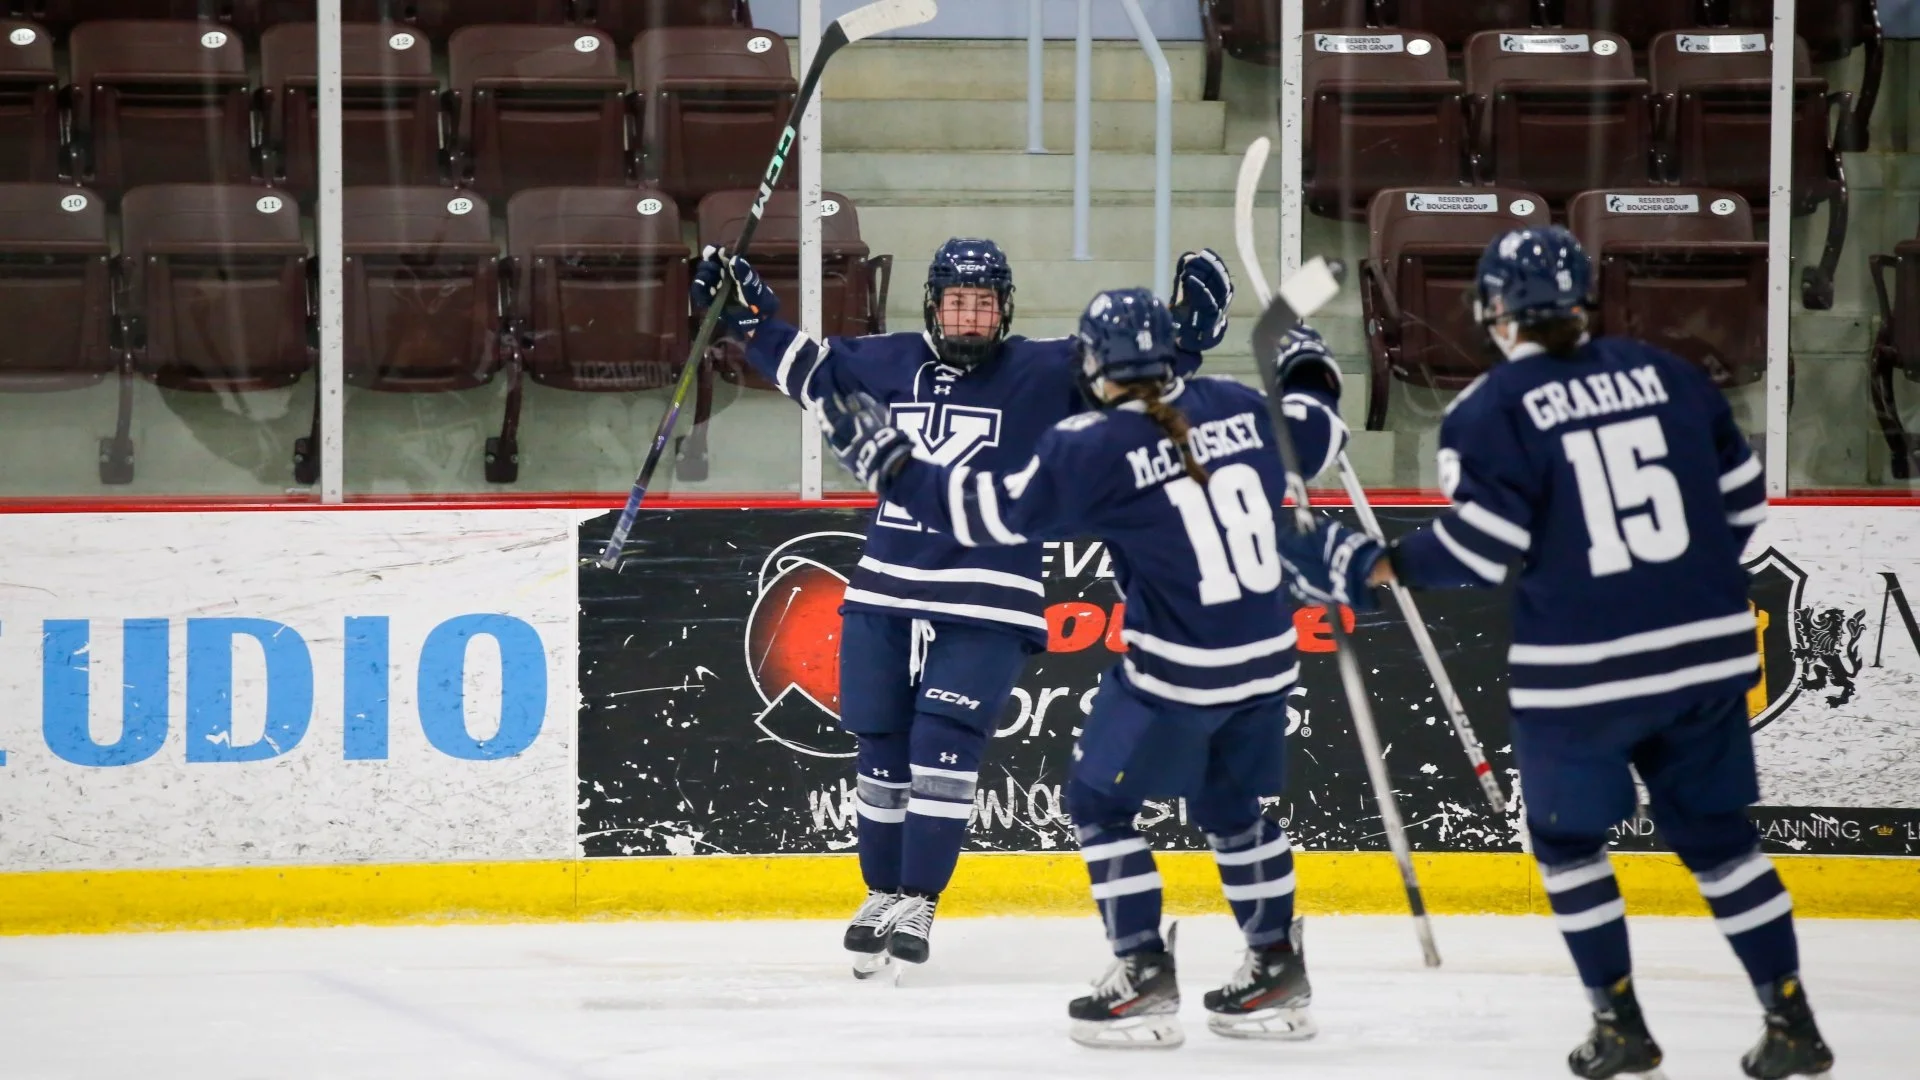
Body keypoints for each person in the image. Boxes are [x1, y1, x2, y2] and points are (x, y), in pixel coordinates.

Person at [1280, 227, 1833, 1080]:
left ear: (1494, 313)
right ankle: (1791, 1021)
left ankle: (1620, 1027)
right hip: (1709, 656)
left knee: (1569, 843)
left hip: (1587, 670)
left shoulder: (1490, 410)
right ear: (1585, 300)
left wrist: (1371, 562)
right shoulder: (1676, 376)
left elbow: (1479, 548)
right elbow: (1746, 518)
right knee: (1723, 844)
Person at [818, 287, 1350, 1048]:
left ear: (1096, 364)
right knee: (1236, 813)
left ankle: (1141, 974)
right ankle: (1273, 966)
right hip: (1267, 660)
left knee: (1100, 805)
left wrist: (891, 465)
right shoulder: (1235, 402)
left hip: (1178, 670)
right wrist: (1305, 357)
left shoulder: (1094, 447)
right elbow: (1318, 424)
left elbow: (982, 516)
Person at [691, 240, 1236, 976]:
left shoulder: (1046, 369)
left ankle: (920, 896)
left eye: (983, 304)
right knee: (879, 745)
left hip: (989, 597)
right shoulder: (886, 361)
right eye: (957, 302)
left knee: (943, 747)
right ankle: (881, 892)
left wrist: (1186, 335)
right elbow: (812, 376)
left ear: (1004, 310)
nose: (970, 317)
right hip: (884, 587)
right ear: (934, 304)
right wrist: (748, 320)